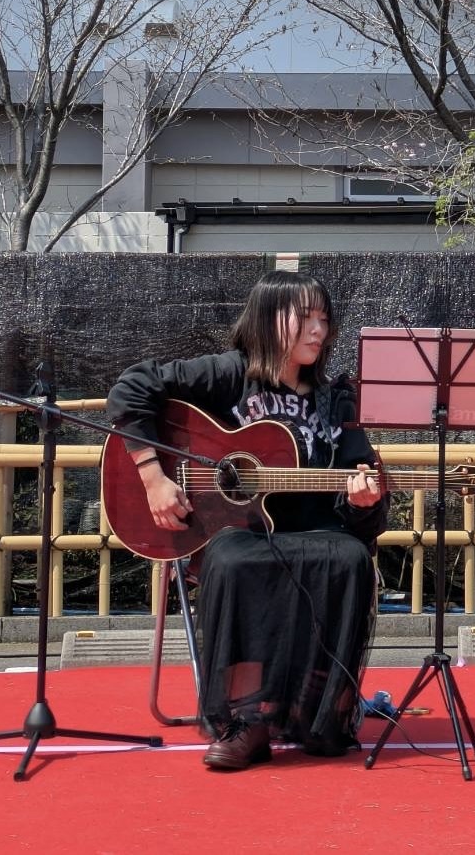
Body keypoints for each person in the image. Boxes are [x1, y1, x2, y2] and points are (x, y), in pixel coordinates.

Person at [106, 269, 388, 770]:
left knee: (349, 557)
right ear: (267, 318)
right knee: (237, 562)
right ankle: (246, 721)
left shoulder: (336, 398)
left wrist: (362, 502)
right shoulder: (227, 374)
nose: (318, 331)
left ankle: (319, 716)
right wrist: (153, 477)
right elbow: (131, 388)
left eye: (324, 319)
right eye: (305, 318)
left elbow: (360, 498)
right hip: (233, 531)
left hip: (314, 530)